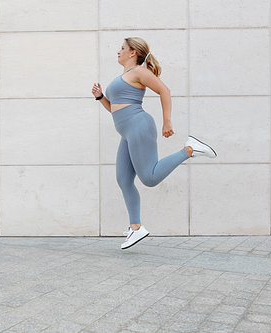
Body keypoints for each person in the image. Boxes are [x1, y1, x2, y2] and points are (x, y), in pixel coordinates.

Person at [92, 37, 216, 250]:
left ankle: (190, 149)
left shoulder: (139, 72)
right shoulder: (125, 75)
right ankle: (136, 227)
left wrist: (167, 120)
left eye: (122, 48)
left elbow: (164, 91)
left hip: (138, 125)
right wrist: (101, 96)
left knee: (149, 178)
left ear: (133, 53)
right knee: (123, 179)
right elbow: (114, 108)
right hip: (126, 132)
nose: (118, 51)